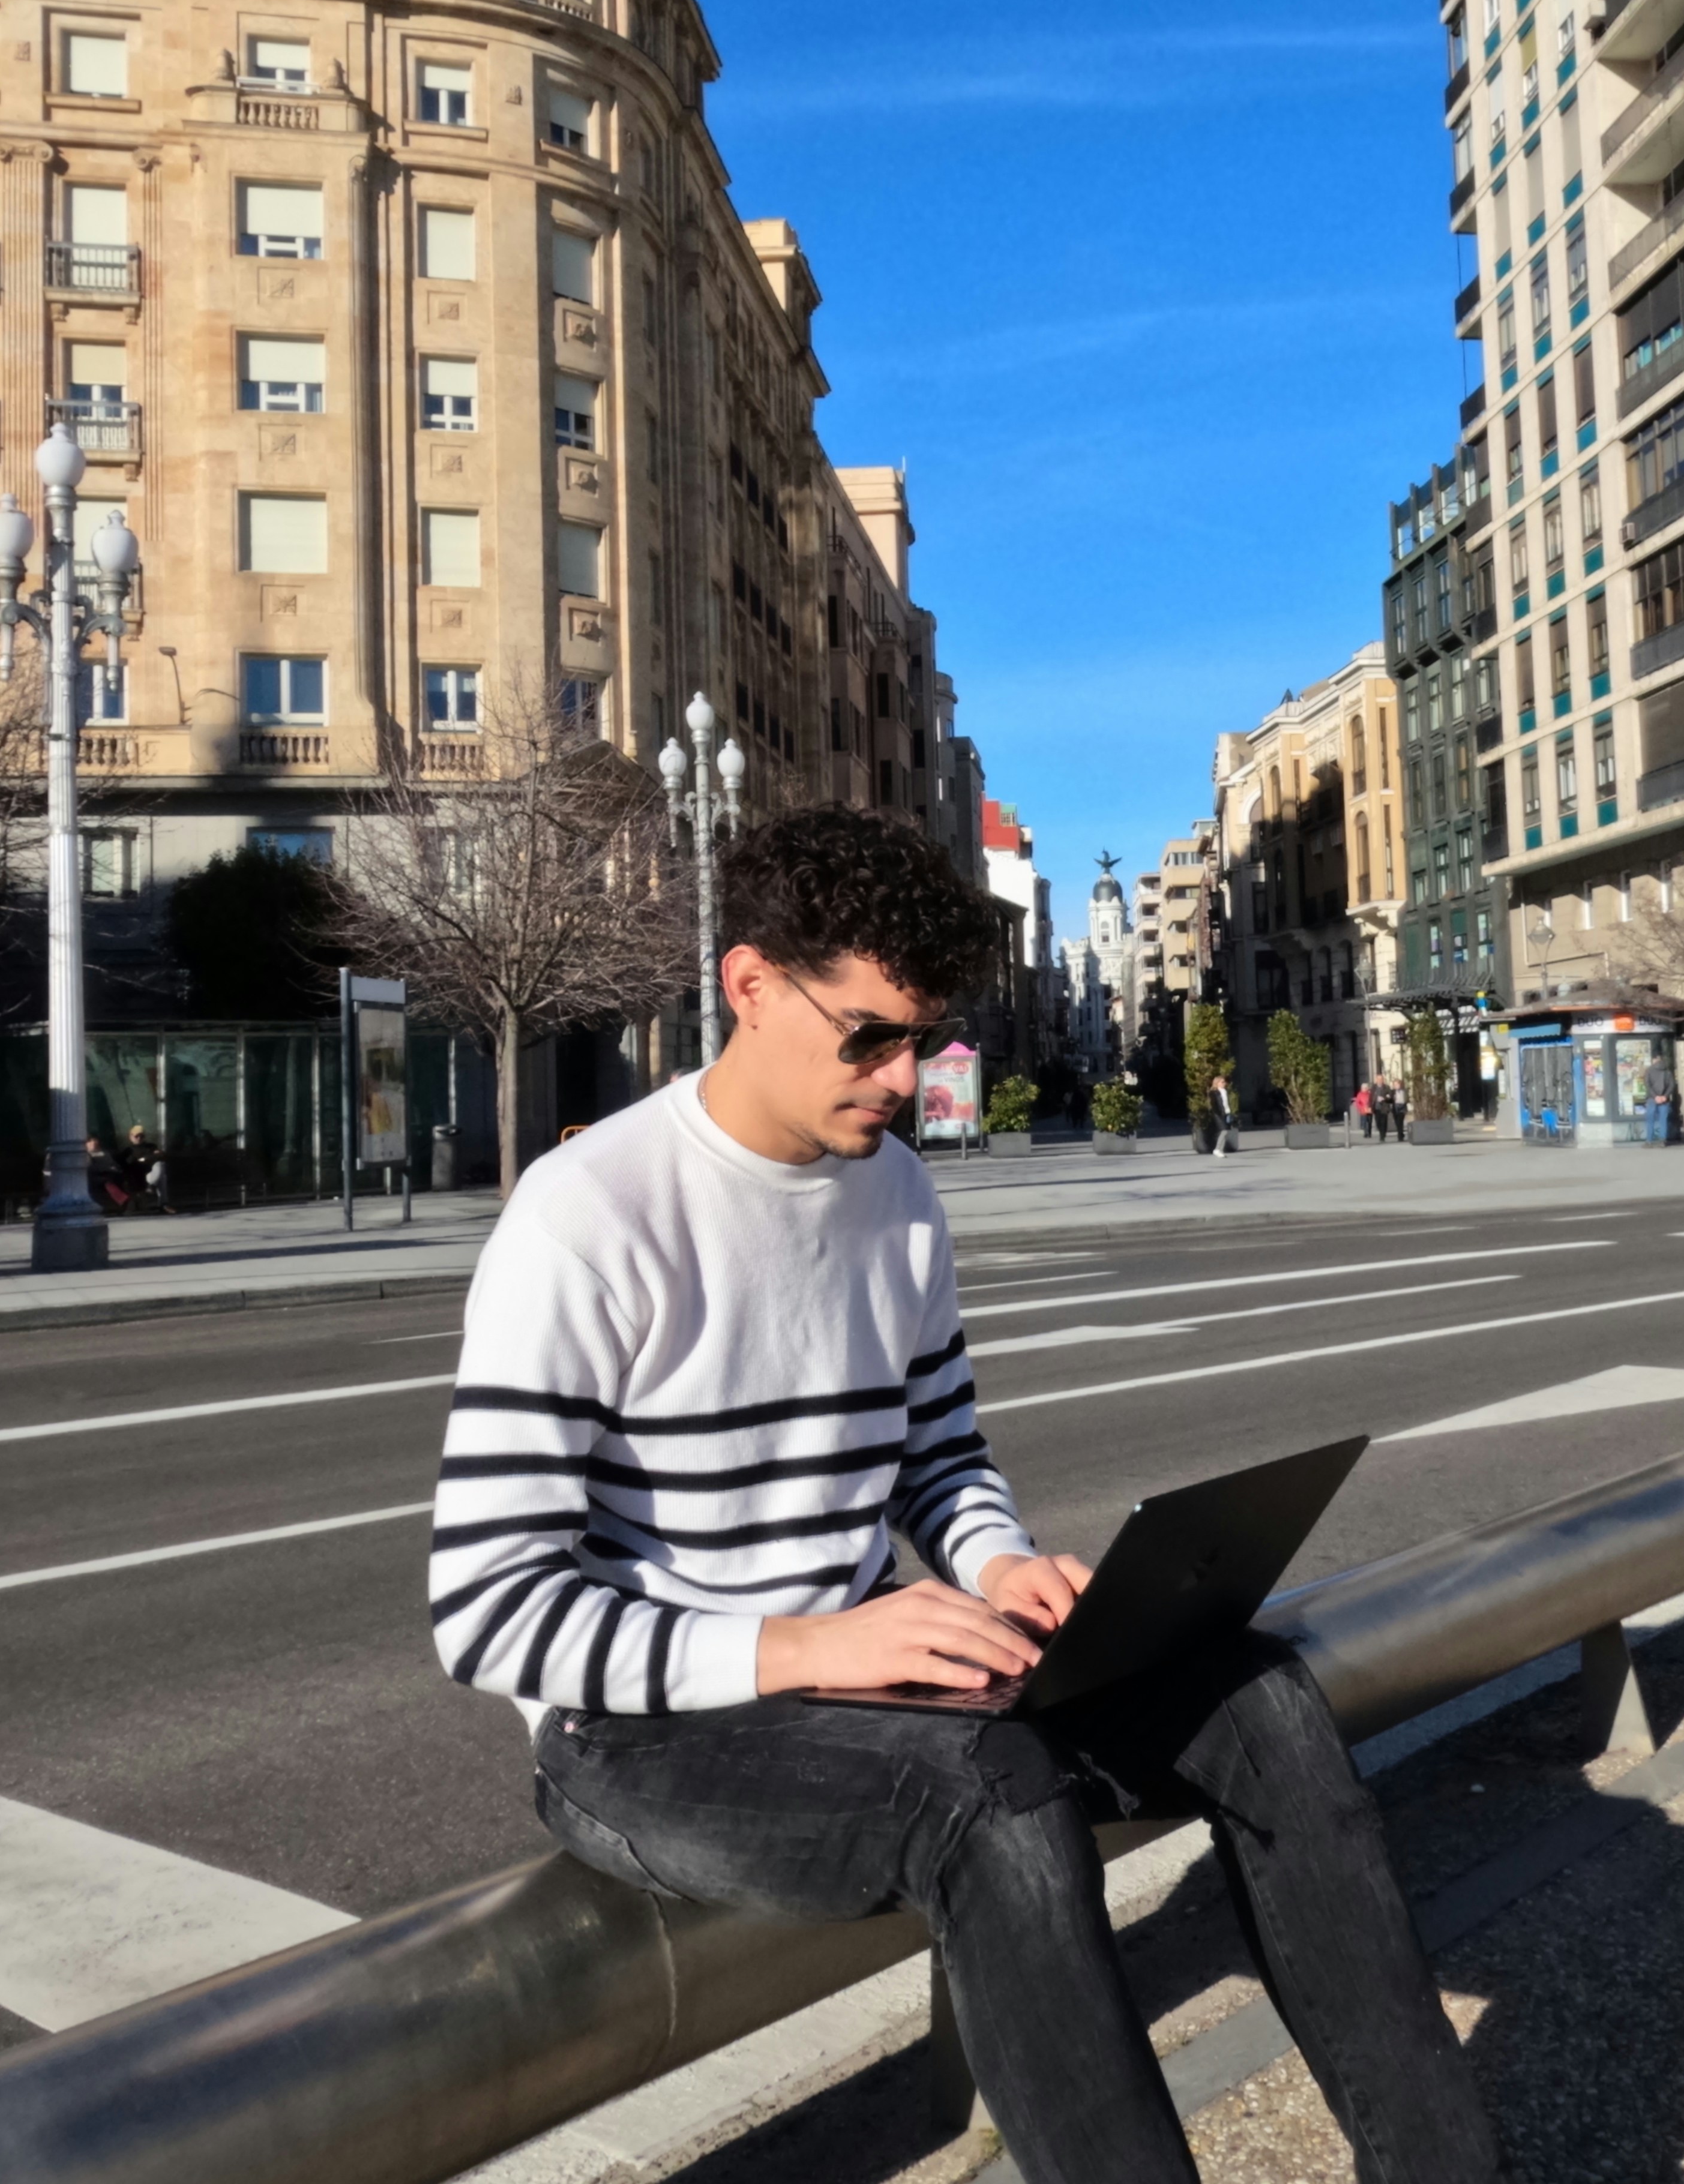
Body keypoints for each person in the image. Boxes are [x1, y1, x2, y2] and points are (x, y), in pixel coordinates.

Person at [430, 807, 1502, 2184]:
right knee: (989, 1792)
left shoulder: (896, 1196)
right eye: (868, 1034)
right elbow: (485, 1608)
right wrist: (810, 1643)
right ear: (748, 985)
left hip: (865, 1676)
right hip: (644, 1734)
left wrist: (998, 1568)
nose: (900, 1076)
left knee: (1258, 1696)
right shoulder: (591, 1213)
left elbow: (936, 1456)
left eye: (923, 1040)